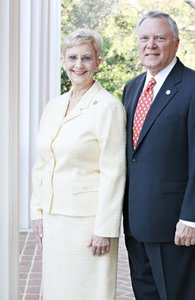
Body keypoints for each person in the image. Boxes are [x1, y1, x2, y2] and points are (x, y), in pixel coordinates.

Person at [122, 11, 195, 300]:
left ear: (176, 43)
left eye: (159, 38)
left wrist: (192, 218)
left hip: (174, 225)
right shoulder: (132, 88)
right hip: (136, 222)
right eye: (144, 38)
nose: (150, 45)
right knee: (145, 294)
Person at [31, 28, 126, 300]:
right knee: (56, 291)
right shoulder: (53, 107)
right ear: (63, 60)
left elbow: (114, 171)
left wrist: (104, 229)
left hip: (88, 223)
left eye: (86, 58)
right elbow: (42, 163)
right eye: (72, 57)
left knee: (88, 291)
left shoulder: (108, 107)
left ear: (98, 62)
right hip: (53, 218)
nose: (79, 65)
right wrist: (37, 212)